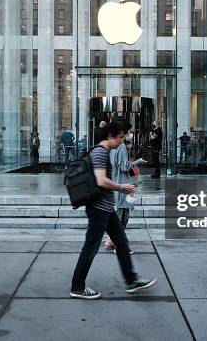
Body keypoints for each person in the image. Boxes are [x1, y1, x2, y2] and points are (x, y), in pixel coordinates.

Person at [70, 122, 156, 300]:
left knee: (122, 242)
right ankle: (77, 286)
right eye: (121, 137)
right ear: (110, 136)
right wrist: (121, 187)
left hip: (106, 209)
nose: (122, 141)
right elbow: (101, 181)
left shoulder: (104, 151)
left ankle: (131, 280)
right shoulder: (100, 152)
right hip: (98, 209)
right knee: (90, 248)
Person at [105, 123, 147, 252]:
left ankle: (110, 241)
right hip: (123, 186)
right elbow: (124, 166)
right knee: (122, 218)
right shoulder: (121, 146)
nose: (130, 134)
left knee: (120, 216)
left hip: (117, 185)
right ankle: (119, 245)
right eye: (129, 131)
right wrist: (137, 162)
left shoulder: (112, 146)